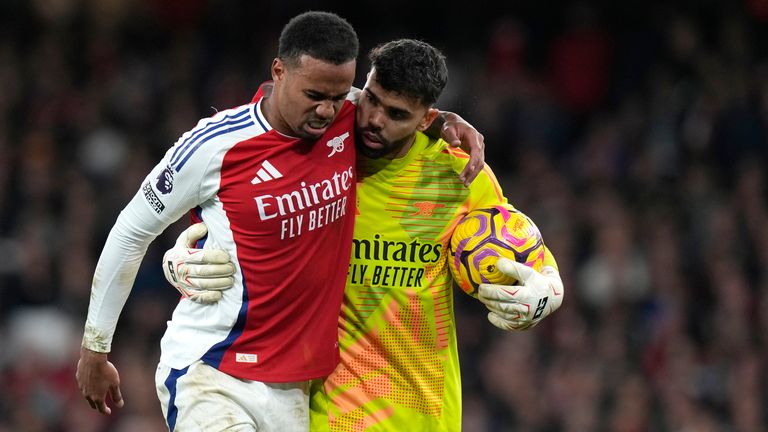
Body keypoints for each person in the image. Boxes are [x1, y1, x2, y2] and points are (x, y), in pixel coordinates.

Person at [75, 12, 485, 432]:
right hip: (213, 370)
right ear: (279, 71)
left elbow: (395, 108)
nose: (327, 109)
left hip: (294, 391)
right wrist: (96, 348)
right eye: (314, 94)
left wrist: (445, 121)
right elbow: (130, 232)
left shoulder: (350, 117)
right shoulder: (215, 145)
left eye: (340, 95)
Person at [165, 39, 564, 431]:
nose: (374, 119)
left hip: (426, 410)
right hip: (331, 409)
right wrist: (184, 257)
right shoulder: (316, 155)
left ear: (426, 118)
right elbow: (242, 213)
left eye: (396, 113)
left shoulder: (455, 173)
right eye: (371, 100)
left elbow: (521, 245)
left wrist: (548, 290)